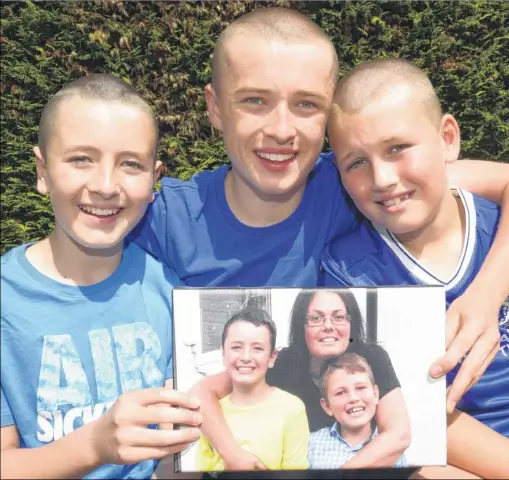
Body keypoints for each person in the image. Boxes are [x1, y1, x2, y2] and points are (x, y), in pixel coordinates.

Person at [128, 11, 509, 469]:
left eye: (306, 105)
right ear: (214, 108)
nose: (282, 129)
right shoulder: (168, 216)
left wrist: (487, 294)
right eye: (254, 100)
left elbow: (445, 179)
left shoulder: (353, 183)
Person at [0, 74, 202, 479]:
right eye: (81, 159)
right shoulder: (7, 299)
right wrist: (94, 445)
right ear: (42, 171)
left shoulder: (168, 288)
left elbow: (180, 453)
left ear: (154, 179)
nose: (106, 185)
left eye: (131, 164)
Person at [321, 58, 509, 478]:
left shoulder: (498, 226)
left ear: (447, 138)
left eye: (397, 148)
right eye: (356, 163)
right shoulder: (351, 275)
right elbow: (408, 412)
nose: (383, 178)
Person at [193, 289, 412, 478]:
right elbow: (201, 392)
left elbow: (398, 435)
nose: (328, 326)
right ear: (302, 325)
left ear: (351, 322)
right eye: (316, 318)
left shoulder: (371, 357)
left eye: (338, 317)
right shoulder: (285, 362)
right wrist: (233, 454)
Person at [194, 307, 309, 472]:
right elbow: (203, 470)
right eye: (236, 347)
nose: (246, 357)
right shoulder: (212, 412)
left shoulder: (292, 408)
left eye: (257, 348)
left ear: (272, 357)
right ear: (223, 353)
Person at [309, 353, 407, 469]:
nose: (353, 398)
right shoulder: (312, 445)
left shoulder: (391, 449)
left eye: (360, 388)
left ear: (375, 394)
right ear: (327, 406)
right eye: (340, 392)